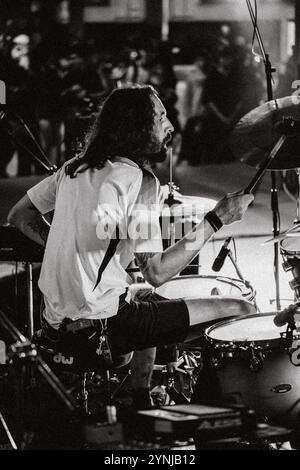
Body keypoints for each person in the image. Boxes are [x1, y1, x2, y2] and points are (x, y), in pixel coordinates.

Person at [7, 84, 253, 410]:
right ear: (138, 126)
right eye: (162, 116)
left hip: (55, 327)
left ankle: (138, 397)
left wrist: (63, 243)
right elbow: (157, 271)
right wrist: (216, 219)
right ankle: (210, 419)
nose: (171, 125)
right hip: (103, 329)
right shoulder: (141, 181)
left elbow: (19, 215)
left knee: (141, 293)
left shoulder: (73, 168)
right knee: (239, 310)